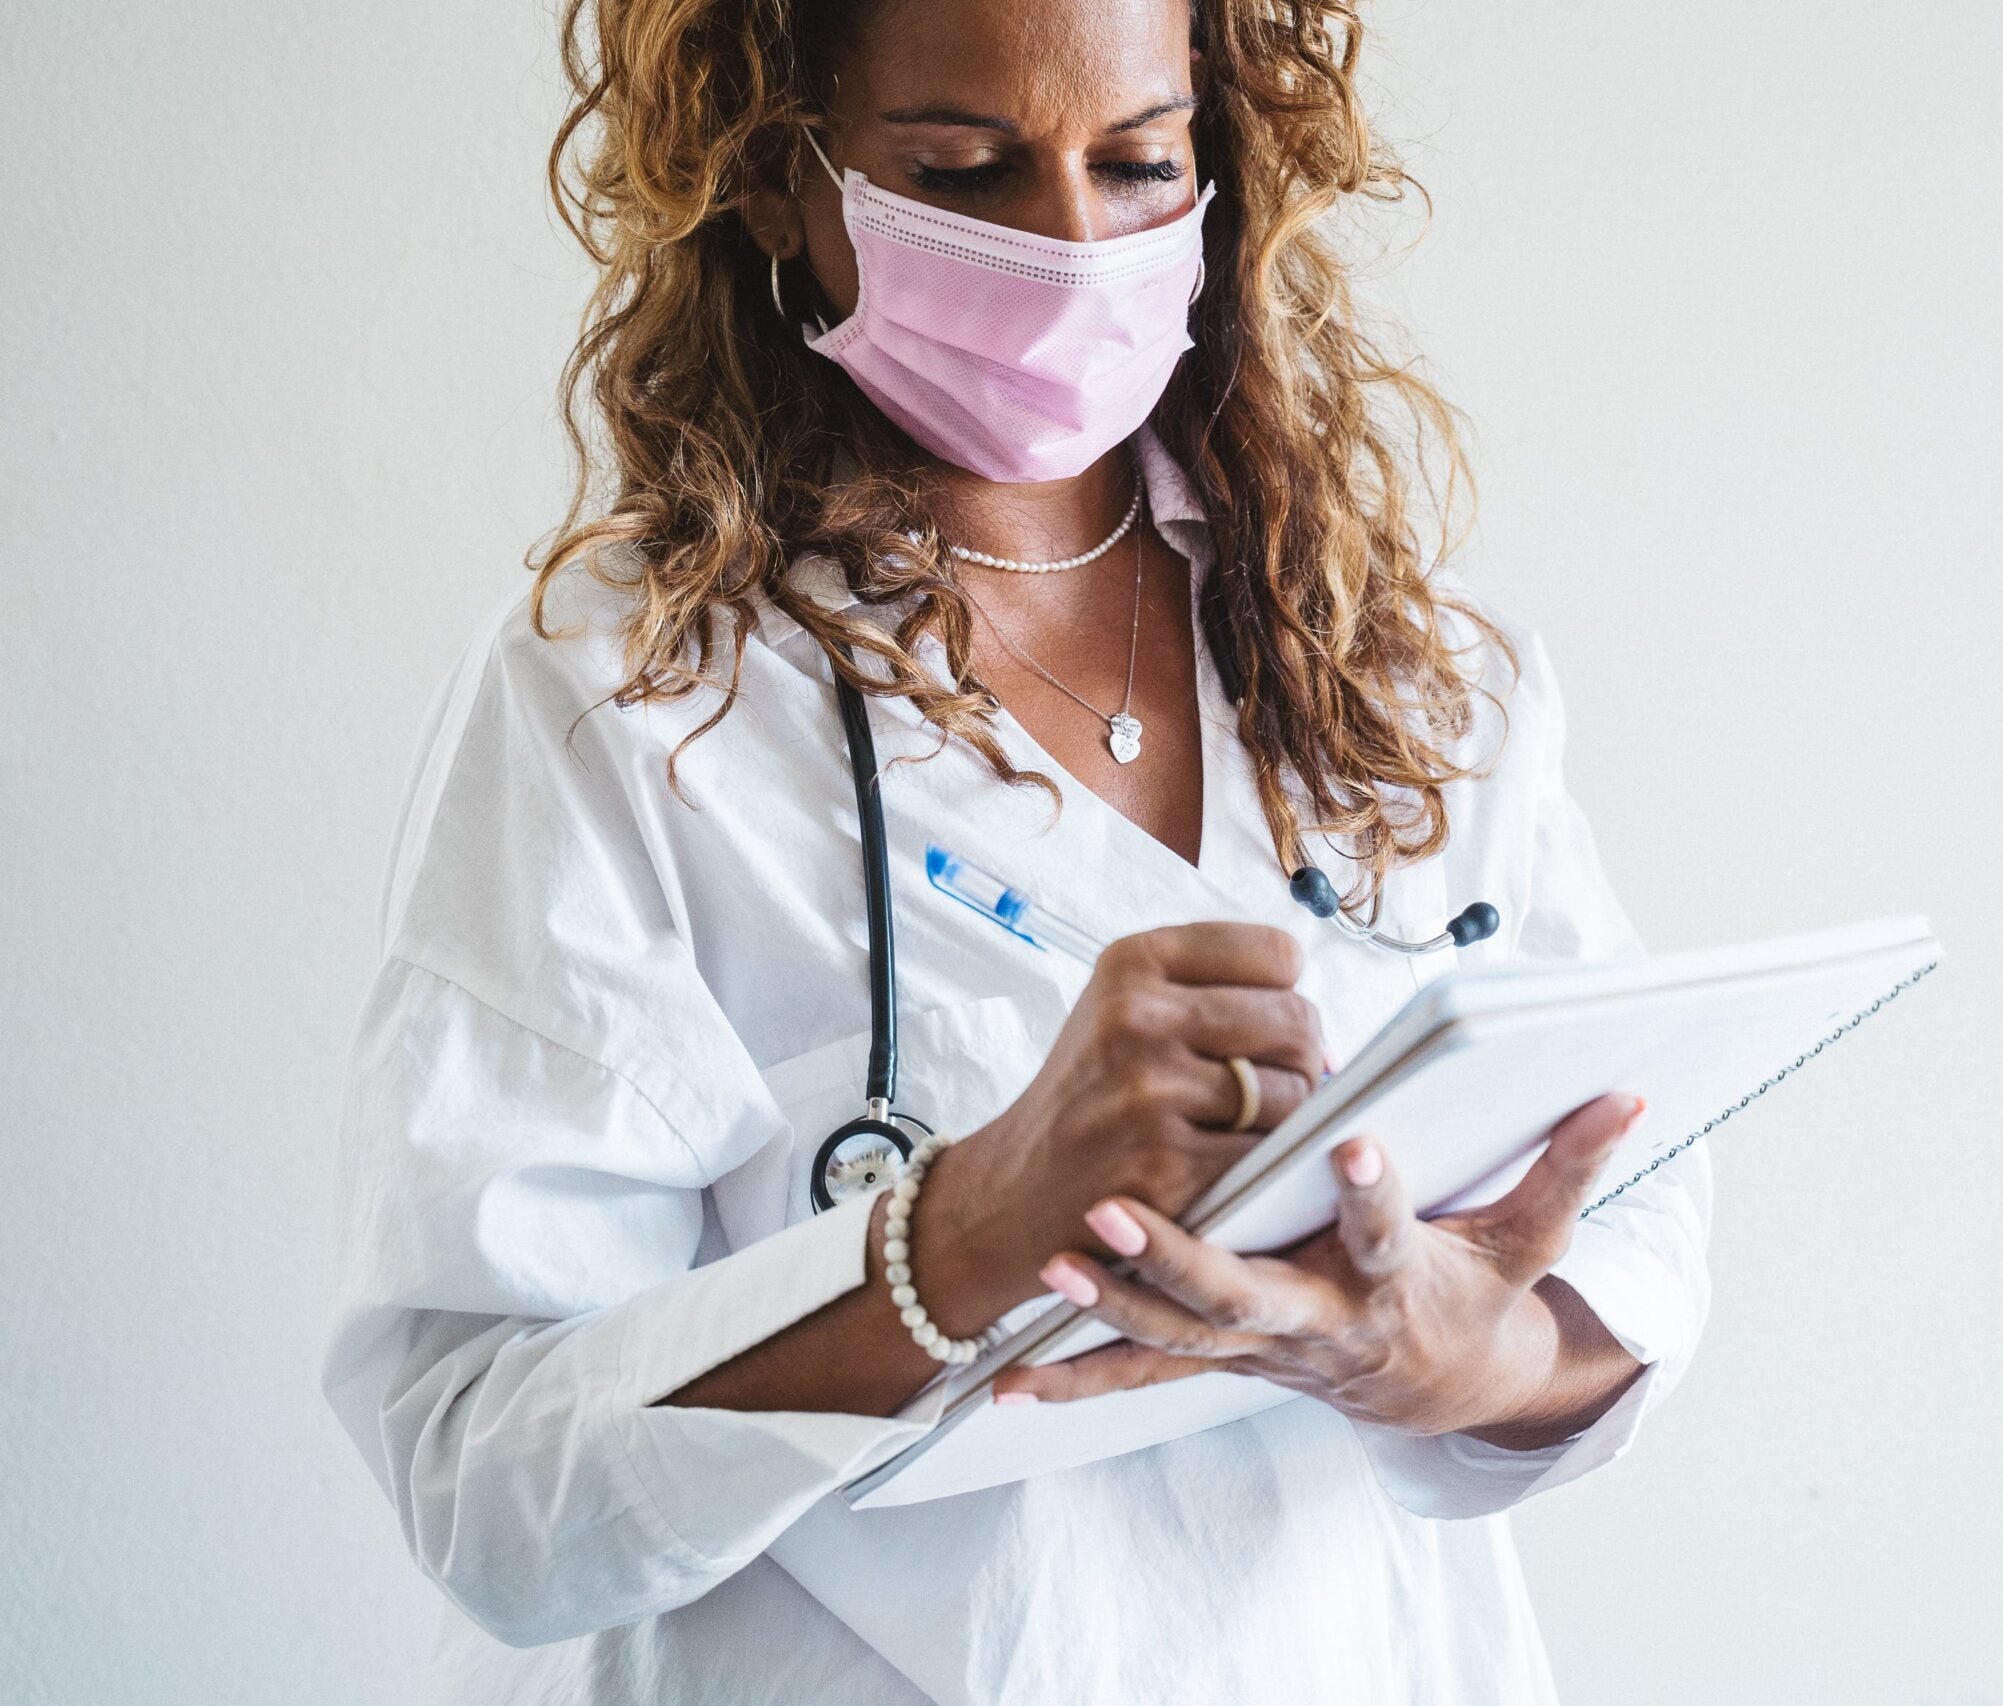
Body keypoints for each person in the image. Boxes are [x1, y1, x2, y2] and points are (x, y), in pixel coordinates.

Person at [322, 0, 1713, 1699]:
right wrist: (956, 1232)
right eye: (965, 171)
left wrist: (1457, 1347)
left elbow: (1633, 1239)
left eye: (1139, 163)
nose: (1071, 246)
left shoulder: (1403, 674)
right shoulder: (628, 699)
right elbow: (487, 1486)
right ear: (783, 176)